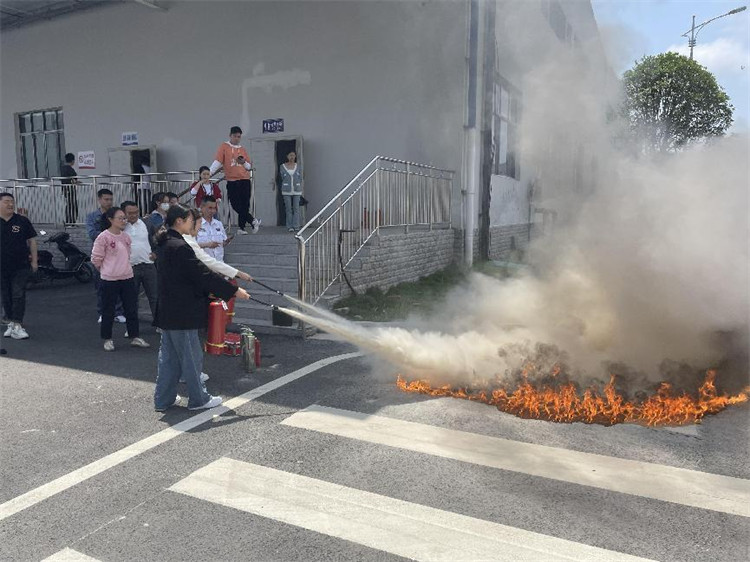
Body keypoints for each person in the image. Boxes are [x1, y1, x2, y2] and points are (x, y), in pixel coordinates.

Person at [153, 204, 250, 412]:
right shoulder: (180, 246)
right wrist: (233, 291)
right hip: (183, 313)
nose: (192, 224)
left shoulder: (164, 243)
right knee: (190, 358)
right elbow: (202, 275)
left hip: (168, 311)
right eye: (190, 220)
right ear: (179, 221)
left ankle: (163, 399)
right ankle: (198, 399)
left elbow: (192, 276)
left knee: (169, 359)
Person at [91, 207, 150, 352]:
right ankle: (107, 339)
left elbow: (127, 255)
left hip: (127, 277)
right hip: (109, 279)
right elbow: (96, 259)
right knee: (108, 310)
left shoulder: (125, 237)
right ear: (111, 220)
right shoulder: (103, 237)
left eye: (124, 218)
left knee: (131, 308)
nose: (124, 221)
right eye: (121, 218)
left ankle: (134, 335)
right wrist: (107, 270)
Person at [209, 126, 260, 235]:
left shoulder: (242, 149)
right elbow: (218, 161)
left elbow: (248, 166)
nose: (237, 139)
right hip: (232, 180)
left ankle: (242, 228)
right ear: (230, 135)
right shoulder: (224, 147)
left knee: (245, 204)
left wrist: (243, 162)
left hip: (245, 179)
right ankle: (252, 220)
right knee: (236, 204)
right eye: (235, 136)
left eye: (239, 137)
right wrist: (208, 174)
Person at [0, 192, 37, 340]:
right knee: (6, 295)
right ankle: (10, 321)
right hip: (2, 266)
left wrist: (34, 261)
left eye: (12, 201)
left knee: (18, 293)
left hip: (20, 265)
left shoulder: (22, 221)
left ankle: (17, 324)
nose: (10, 204)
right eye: (6, 201)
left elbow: (32, 241)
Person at [86, 189, 126, 324]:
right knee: (101, 285)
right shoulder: (93, 216)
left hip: (117, 254)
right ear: (99, 199)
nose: (108, 202)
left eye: (110, 199)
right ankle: (104, 312)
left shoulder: (117, 215)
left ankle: (118, 312)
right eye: (106, 199)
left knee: (118, 285)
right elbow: (92, 233)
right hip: (101, 255)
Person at [122, 200, 158, 321]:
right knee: (131, 299)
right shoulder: (120, 226)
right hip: (130, 268)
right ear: (124, 213)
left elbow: (158, 239)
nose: (133, 215)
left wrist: (156, 253)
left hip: (148, 266)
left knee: (155, 297)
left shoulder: (146, 223)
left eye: (136, 212)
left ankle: (159, 323)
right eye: (130, 213)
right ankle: (132, 327)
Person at [196, 196, 228, 262]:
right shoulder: (195, 224)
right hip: (203, 265)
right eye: (210, 208)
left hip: (219, 264)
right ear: (202, 208)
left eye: (214, 208)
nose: (213, 211)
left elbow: (223, 241)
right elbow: (191, 246)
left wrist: (225, 242)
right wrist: (207, 245)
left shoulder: (219, 224)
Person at [279, 151, 303, 232]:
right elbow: (282, 176)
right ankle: (289, 226)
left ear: (295, 156)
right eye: (290, 155)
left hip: (297, 189)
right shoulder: (282, 166)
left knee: (296, 208)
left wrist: (298, 184)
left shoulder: (298, 166)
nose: (292, 157)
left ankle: (296, 225)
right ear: (287, 156)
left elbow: (300, 177)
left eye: (293, 155)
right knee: (288, 208)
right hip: (286, 190)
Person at [60, 153, 78, 226]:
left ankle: (69, 222)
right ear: (72, 160)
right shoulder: (70, 169)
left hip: (65, 189)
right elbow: (73, 179)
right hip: (70, 189)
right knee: (72, 205)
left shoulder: (62, 168)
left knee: (69, 205)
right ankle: (71, 222)